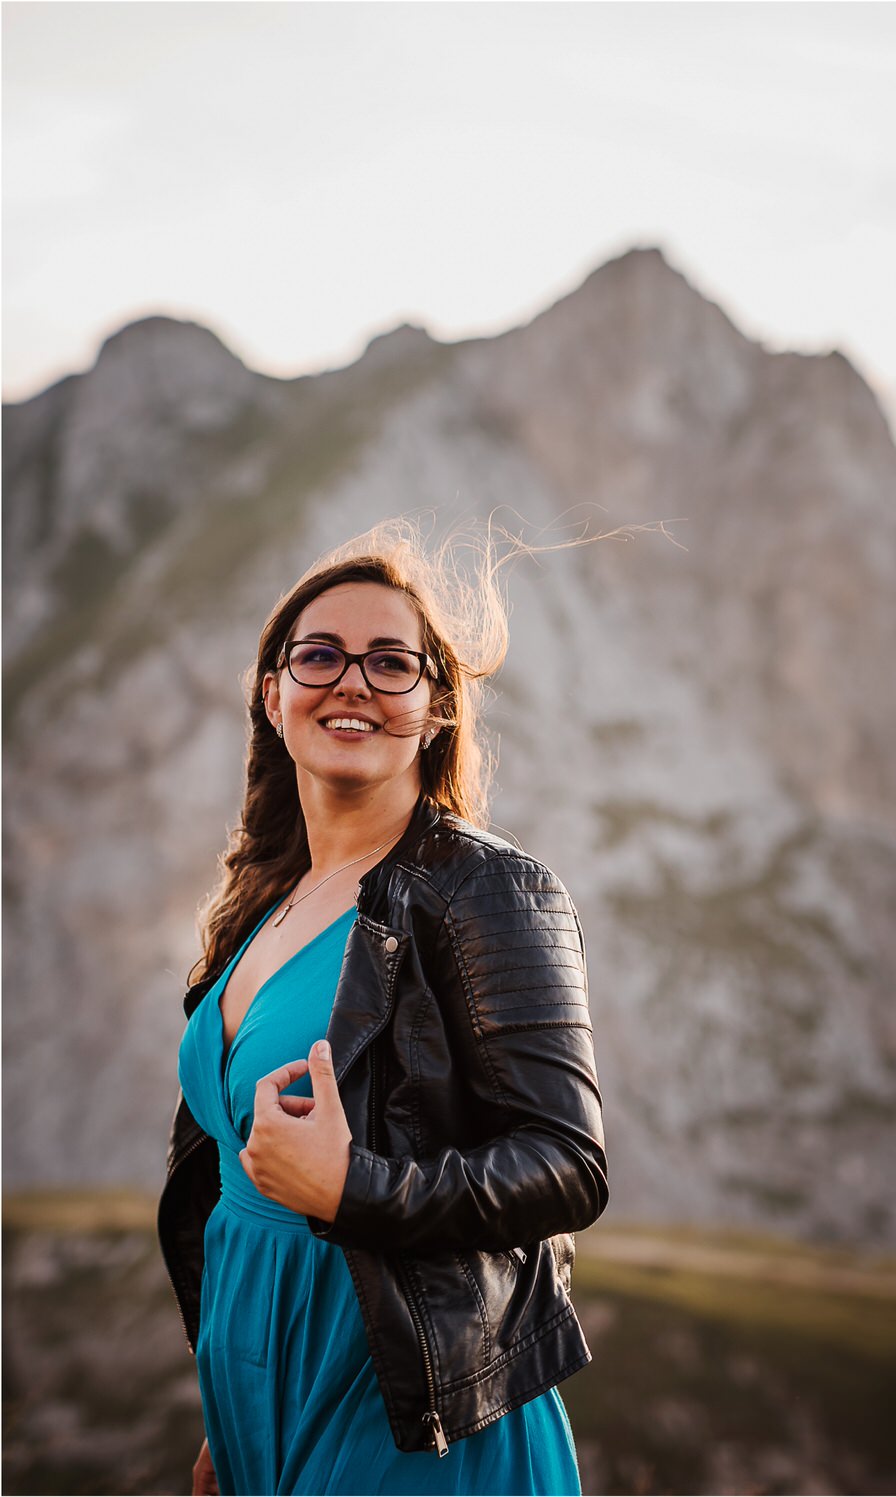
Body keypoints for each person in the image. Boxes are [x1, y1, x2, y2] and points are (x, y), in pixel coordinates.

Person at [157, 517, 609, 1497]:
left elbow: (567, 1165)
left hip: (410, 1429)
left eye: (390, 662)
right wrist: (229, 1412)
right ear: (272, 695)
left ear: (435, 708)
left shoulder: (486, 890)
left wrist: (353, 1188)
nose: (351, 680)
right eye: (318, 655)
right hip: (267, 1409)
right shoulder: (259, 903)